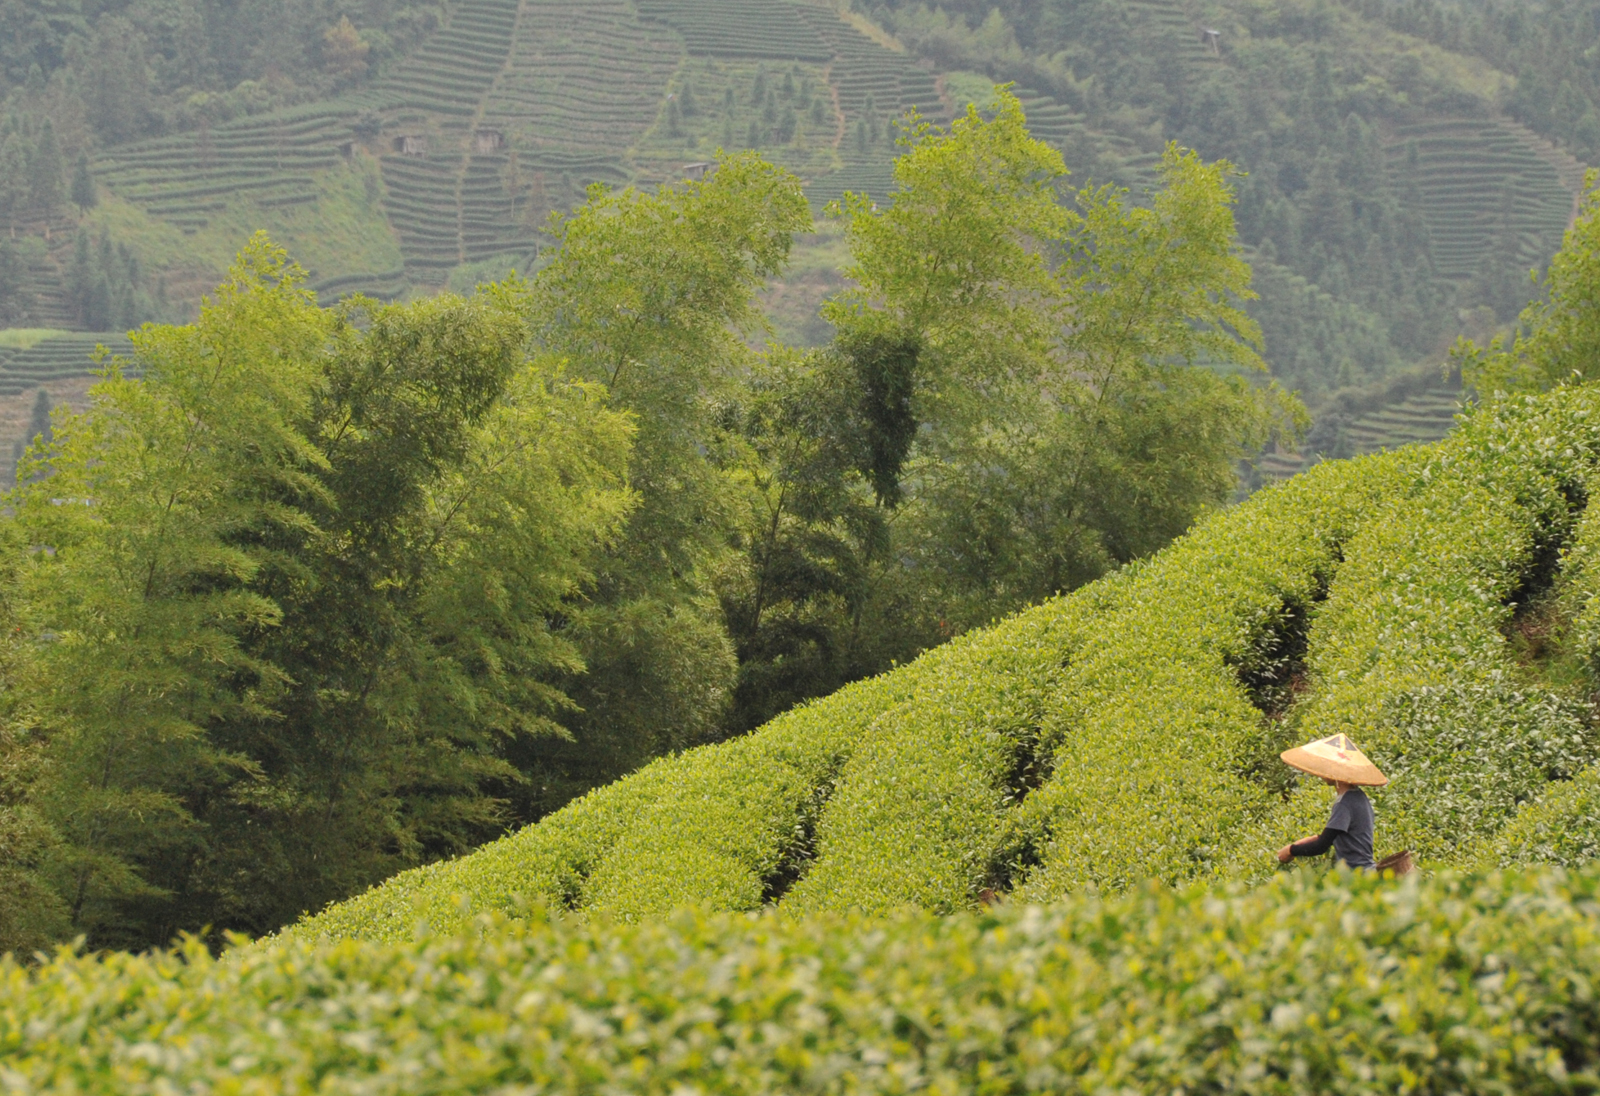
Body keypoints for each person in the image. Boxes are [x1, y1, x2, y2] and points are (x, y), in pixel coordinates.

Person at [1273, 733, 1387, 871]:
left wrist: (1291, 850)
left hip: (1356, 875)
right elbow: (1331, 836)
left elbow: (1321, 846)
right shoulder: (1358, 796)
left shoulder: (1344, 804)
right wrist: (1304, 842)